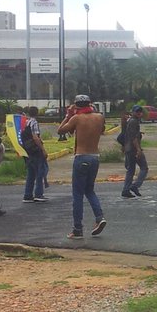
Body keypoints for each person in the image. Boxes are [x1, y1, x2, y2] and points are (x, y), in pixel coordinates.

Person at [57, 95, 106, 239]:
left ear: (76, 105)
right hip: (95, 157)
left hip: (81, 157)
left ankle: (77, 228)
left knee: (77, 194)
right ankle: (99, 217)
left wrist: (68, 115)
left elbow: (60, 131)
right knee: (89, 190)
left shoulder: (76, 118)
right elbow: (102, 130)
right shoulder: (99, 117)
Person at [21, 106, 49, 203]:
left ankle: (27, 195)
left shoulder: (26, 122)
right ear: (37, 113)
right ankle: (39, 194)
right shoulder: (34, 122)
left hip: (29, 151)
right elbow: (35, 137)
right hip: (36, 151)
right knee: (40, 172)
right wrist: (43, 149)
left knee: (31, 174)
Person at [121, 105, 148, 198]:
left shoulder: (130, 121)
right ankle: (135, 186)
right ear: (133, 112)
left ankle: (126, 190)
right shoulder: (134, 122)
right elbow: (133, 138)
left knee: (130, 170)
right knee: (144, 168)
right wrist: (138, 150)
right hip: (133, 149)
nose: (139, 113)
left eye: (140, 111)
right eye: (137, 111)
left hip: (128, 148)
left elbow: (126, 134)